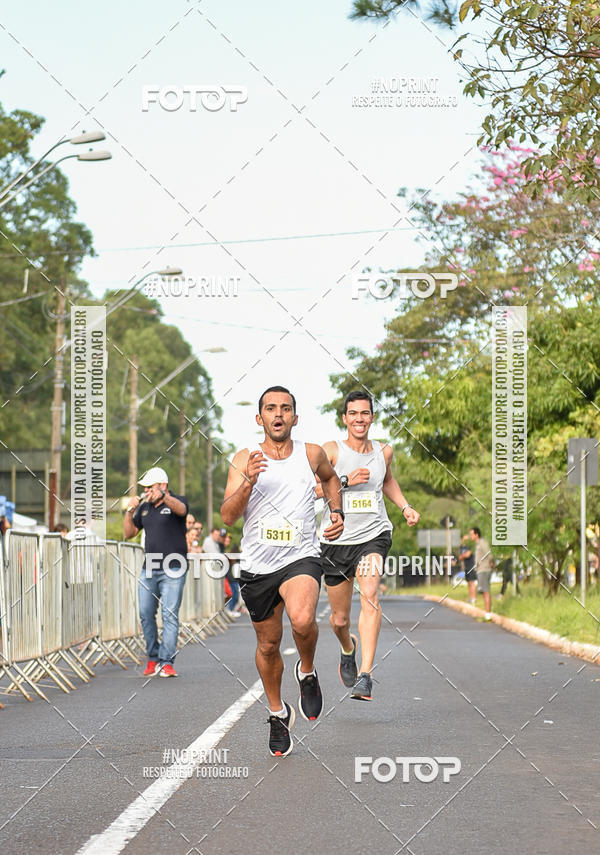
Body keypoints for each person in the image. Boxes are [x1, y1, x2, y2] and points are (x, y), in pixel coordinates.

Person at [221, 386, 344, 757]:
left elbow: (331, 480)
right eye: (271, 409)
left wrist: (336, 512)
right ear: (260, 418)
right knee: (268, 644)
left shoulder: (311, 454)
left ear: (295, 416)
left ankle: (306, 670)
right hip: (258, 565)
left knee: (304, 620)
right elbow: (227, 517)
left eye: (286, 408)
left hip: (301, 556)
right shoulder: (245, 458)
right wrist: (248, 482)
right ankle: (277, 713)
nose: (279, 414)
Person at [316, 391, 420, 701]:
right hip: (336, 539)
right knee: (339, 620)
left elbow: (387, 480)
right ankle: (347, 647)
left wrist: (404, 507)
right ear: (345, 418)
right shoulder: (331, 452)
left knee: (371, 594)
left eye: (365, 413)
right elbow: (312, 489)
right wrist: (345, 480)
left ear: (372, 417)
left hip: (374, 533)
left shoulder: (383, 452)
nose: (360, 418)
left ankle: (365, 675)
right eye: (354, 413)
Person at [123, 466, 189, 677]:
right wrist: (130, 511)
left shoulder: (177, 502)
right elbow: (129, 533)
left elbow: (182, 510)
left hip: (174, 566)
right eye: (145, 488)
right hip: (149, 568)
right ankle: (153, 657)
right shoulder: (145, 509)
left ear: (162, 486)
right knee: (145, 613)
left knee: (169, 614)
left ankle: (166, 661)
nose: (146, 492)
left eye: (150, 488)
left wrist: (164, 496)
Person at [469, 526, 492, 620]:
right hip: (480, 570)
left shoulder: (482, 542)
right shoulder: (478, 544)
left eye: (471, 534)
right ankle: (487, 613)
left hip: (484, 569)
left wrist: (489, 563)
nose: (470, 536)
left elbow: (489, 554)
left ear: (476, 534)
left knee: (486, 591)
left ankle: (488, 615)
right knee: (483, 592)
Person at [459, 534, 476, 603]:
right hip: (466, 566)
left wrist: (464, 555)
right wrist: (464, 555)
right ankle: (471, 597)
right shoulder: (461, 547)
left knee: (472, 582)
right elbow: (460, 557)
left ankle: (474, 598)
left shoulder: (470, 546)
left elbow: (468, 554)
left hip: (471, 566)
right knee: (468, 582)